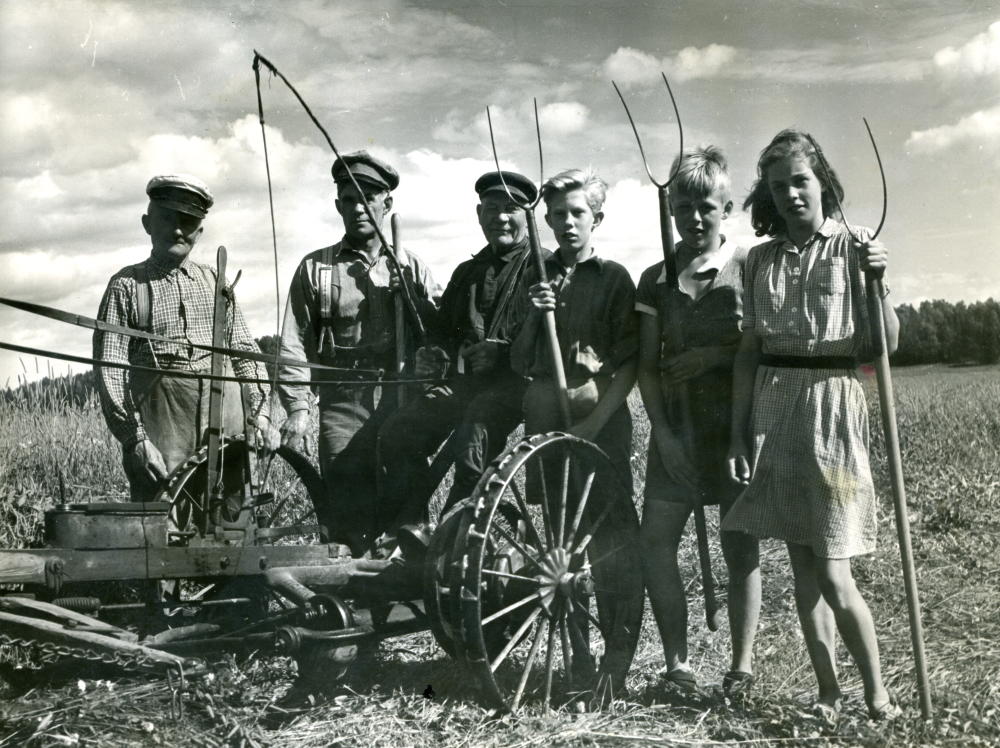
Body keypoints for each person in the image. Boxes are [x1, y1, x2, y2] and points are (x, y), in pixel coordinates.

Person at [724, 129, 901, 723]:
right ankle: (828, 692)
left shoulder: (857, 246)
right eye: (778, 187)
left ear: (823, 181)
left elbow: (885, 345)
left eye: (800, 181)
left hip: (833, 404)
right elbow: (748, 352)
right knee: (803, 570)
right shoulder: (758, 260)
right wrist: (738, 434)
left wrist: (879, 282)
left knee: (831, 568)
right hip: (775, 406)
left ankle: (877, 695)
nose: (791, 194)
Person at [635, 147, 761, 699]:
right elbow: (646, 366)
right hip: (677, 434)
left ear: (726, 208)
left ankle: (741, 669)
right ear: (671, 211)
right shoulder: (655, 278)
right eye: (682, 207)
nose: (693, 217)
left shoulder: (749, 268)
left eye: (706, 206)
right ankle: (678, 666)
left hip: (733, 429)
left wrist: (710, 357)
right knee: (656, 541)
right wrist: (662, 435)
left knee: (740, 546)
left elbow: (758, 348)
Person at [510, 167, 641, 691]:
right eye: (558, 214)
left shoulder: (614, 278)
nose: (568, 223)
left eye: (578, 213)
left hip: (598, 420)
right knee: (562, 549)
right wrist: (532, 315)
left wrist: (592, 424)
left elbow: (628, 366)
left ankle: (615, 664)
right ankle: (578, 663)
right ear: (546, 220)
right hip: (546, 419)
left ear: (597, 219)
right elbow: (519, 361)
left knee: (610, 544)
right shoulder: (536, 276)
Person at [276, 151, 439, 556]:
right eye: (349, 200)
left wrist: (414, 298)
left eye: (369, 198)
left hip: (400, 397)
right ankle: (352, 586)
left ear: (387, 203)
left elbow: (440, 333)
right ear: (338, 206)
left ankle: (403, 581)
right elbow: (292, 342)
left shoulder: (410, 265)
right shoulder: (316, 269)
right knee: (346, 504)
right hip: (341, 400)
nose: (359, 208)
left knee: (404, 507)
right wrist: (298, 407)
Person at [376, 171, 543, 535]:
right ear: (479, 213)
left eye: (512, 208)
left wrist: (502, 354)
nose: (501, 217)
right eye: (492, 208)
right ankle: (413, 532)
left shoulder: (543, 268)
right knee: (398, 432)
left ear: (528, 215)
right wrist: (429, 343)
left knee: (473, 441)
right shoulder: (467, 272)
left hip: (520, 387)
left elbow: (553, 337)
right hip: (465, 386)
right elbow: (442, 333)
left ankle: (452, 540)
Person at [94, 174, 271, 504]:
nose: (178, 230)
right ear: (147, 224)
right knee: (160, 528)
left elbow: (245, 352)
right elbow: (111, 371)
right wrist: (135, 440)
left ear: (199, 232)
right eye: (167, 219)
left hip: (227, 434)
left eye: (188, 222)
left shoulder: (217, 283)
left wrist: (261, 413)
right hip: (161, 441)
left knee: (232, 526)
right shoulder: (127, 286)